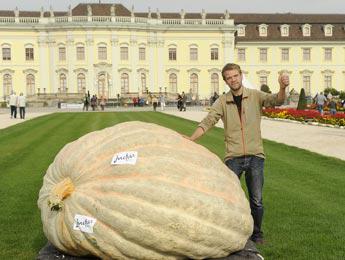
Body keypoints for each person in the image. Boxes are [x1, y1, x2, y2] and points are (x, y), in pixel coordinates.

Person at [184, 63, 289, 244]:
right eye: (229, 78)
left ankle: (256, 234)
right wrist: (191, 139)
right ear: (226, 81)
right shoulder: (223, 101)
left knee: (256, 200)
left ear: (241, 75)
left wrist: (282, 87)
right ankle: (230, 232)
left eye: (235, 76)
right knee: (228, 198)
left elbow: (277, 100)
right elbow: (209, 120)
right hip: (233, 157)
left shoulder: (255, 95)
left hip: (255, 155)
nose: (233, 80)